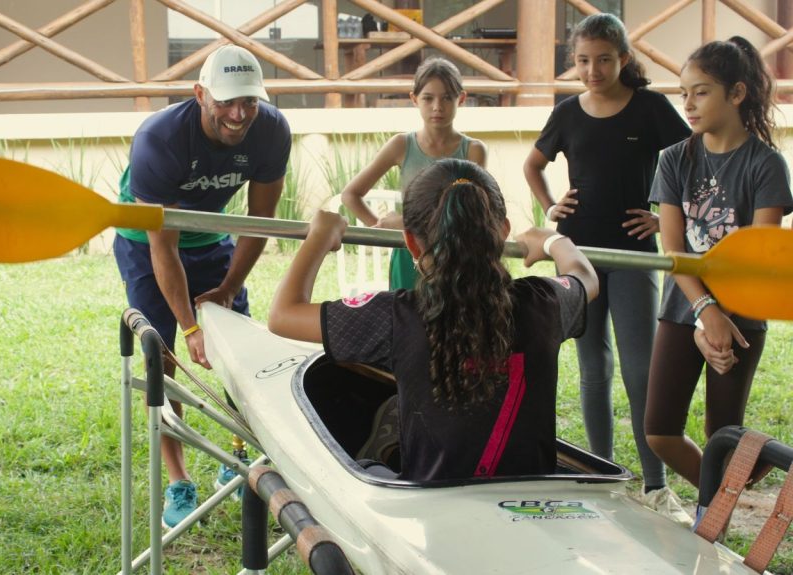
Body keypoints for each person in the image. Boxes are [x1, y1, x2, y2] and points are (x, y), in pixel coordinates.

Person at [269, 159, 598, 482]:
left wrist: (319, 237)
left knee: (365, 466)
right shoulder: (544, 303)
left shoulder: (394, 315)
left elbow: (283, 315)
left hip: (430, 502)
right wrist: (553, 241)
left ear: (411, 242)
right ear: (503, 232)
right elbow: (585, 277)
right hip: (532, 502)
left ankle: (388, 443)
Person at [113, 44, 292, 527]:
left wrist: (229, 288)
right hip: (146, 243)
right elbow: (164, 246)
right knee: (162, 359)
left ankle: (237, 457)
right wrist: (190, 327)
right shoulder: (160, 139)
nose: (238, 114)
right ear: (200, 95)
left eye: (249, 101)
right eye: (226, 101)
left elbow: (260, 220)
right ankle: (178, 479)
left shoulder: (271, 130)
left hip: (211, 235)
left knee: (242, 351)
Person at [522, 13, 690, 509]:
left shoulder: (650, 108)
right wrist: (551, 207)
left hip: (634, 257)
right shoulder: (566, 113)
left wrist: (663, 218)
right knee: (592, 368)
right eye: (582, 61)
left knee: (640, 372)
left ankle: (656, 485)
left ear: (623, 59)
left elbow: (693, 161)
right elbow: (533, 164)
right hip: (579, 257)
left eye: (603, 60)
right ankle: (601, 476)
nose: (592, 70)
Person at [645, 37, 793, 495]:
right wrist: (704, 315)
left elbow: (755, 257)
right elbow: (673, 249)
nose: (688, 104)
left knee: (722, 439)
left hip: (741, 313)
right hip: (683, 306)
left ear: (737, 93)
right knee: (659, 432)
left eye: (701, 92)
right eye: (683, 93)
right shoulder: (674, 159)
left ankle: (717, 510)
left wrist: (719, 318)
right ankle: (724, 497)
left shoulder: (766, 165)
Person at [341, 57, 487, 290]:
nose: (437, 107)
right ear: (414, 99)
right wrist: (383, 227)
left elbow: (472, 214)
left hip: (456, 253)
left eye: (447, 97)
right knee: (406, 312)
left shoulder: (473, 151)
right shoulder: (401, 145)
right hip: (409, 253)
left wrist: (404, 222)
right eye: (428, 98)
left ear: (461, 99)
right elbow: (351, 194)